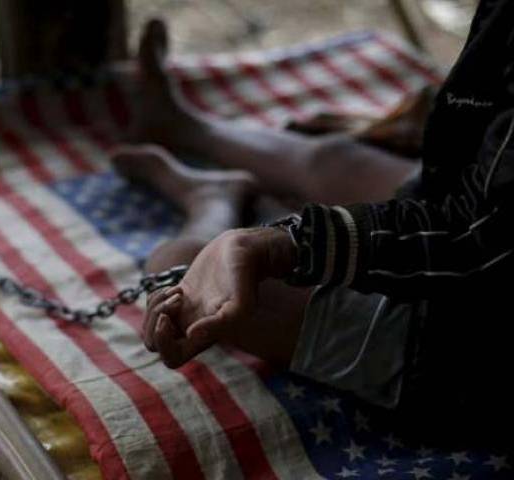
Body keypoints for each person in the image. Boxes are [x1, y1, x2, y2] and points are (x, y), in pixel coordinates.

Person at [113, 0, 514, 436]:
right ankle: (182, 125)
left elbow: (480, 244)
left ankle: (212, 200)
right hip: (473, 207)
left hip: (468, 342)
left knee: (187, 278)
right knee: (333, 161)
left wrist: (285, 243)